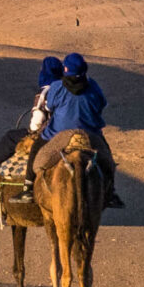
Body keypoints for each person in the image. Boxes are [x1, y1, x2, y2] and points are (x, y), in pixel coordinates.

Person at [41, 52, 122, 207]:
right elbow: (101, 104)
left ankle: (28, 186)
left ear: (65, 69)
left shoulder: (57, 86)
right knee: (107, 160)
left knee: (37, 154)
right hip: (90, 135)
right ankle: (110, 192)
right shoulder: (93, 86)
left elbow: (50, 106)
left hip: (58, 134)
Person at [0, 56, 61, 178]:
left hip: (50, 134)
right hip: (70, 131)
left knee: (11, 136)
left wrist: (32, 132)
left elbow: (37, 119)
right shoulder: (65, 90)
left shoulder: (45, 92)